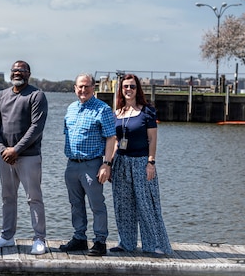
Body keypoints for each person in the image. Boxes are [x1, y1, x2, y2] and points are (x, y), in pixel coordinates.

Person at [0, 60, 48, 255]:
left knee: (34, 198)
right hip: (5, 156)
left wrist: (16, 150)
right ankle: (7, 236)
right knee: (7, 198)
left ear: (28, 73)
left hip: (28, 156)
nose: (17, 73)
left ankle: (39, 239)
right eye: (14, 70)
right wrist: (3, 148)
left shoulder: (36, 95)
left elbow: (36, 128)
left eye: (21, 70)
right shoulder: (2, 95)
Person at [109, 74, 172, 255]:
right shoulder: (117, 113)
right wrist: (110, 164)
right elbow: (115, 141)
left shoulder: (147, 112)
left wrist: (151, 162)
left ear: (138, 90)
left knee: (146, 204)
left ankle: (153, 245)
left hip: (141, 162)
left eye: (132, 86)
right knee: (123, 205)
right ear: (121, 90)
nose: (128, 89)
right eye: (125, 87)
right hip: (121, 163)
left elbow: (152, 139)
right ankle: (126, 243)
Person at [60, 73, 116, 257]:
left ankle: (100, 241)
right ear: (75, 88)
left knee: (97, 205)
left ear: (94, 87)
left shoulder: (103, 109)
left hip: (92, 164)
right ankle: (79, 238)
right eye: (80, 86)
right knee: (75, 204)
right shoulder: (71, 108)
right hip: (72, 164)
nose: (83, 90)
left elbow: (111, 138)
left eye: (87, 86)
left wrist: (106, 164)